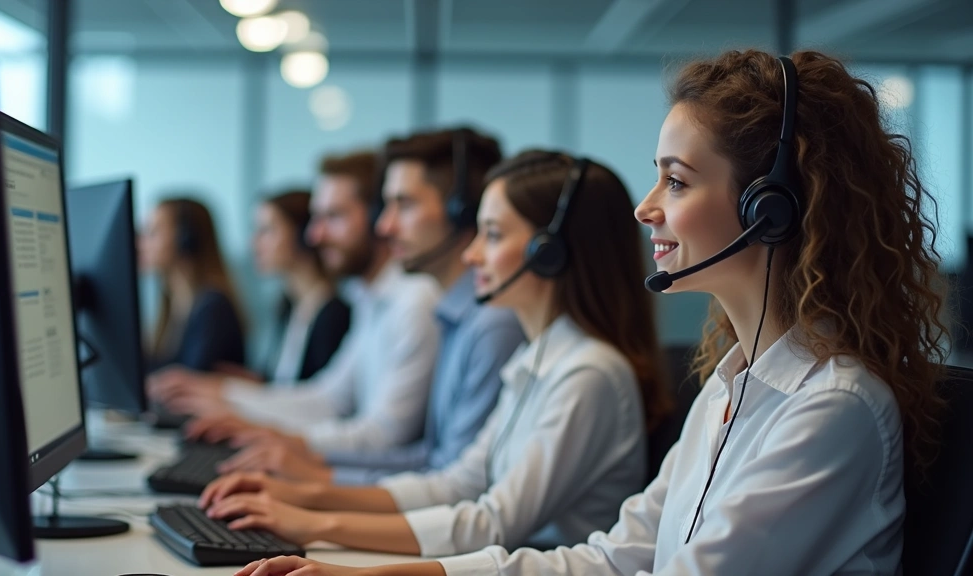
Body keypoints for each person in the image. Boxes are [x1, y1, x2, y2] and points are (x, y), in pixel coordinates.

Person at [227, 49, 950, 576]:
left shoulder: (833, 408)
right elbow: (612, 556)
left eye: (676, 179)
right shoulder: (731, 390)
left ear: (771, 208)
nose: (648, 208)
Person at [201, 150, 671, 560]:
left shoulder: (588, 374)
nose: (471, 256)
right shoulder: (538, 359)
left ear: (549, 253)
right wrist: (306, 499)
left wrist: (315, 522)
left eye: (490, 235)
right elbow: (458, 483)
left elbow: (493, 522)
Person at [212, 128, 525, 485]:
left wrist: (315, 482)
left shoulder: (470, 318)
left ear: (461, 212)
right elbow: (429, 459)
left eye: (404, 205)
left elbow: (452, 480)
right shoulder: (445, 311)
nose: (385, 226)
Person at [148, 151, 442, 454]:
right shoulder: (370, 298)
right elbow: (327, 399)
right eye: (317, 218)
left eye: (335, 216)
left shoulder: (413, 302)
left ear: (375, 217)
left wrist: (265, 432)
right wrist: (227, 396)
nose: (315, 235)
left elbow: (384, 437)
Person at [213, 190, 351, 384]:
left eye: (266, 230)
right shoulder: (289, 306)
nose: (254, 243)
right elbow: (284, 385)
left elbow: (315, 397)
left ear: (303, 234)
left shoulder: (333, 315)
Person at [139, 197, 246, 373]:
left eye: (152, 233)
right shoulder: (172, 306)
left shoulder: (213, 307)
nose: (141, 244)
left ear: (185, 238)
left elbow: (190, 380)